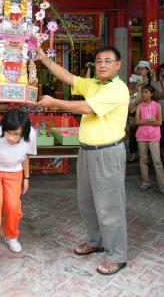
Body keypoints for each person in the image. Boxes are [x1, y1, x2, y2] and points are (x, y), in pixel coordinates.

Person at [36, 45, 129, 276]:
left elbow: (88, 108)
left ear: (118, 65)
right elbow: (69, 77)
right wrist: (44, 59)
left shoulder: (117, 89)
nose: (103, 65)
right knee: (86, 202)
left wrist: (54, 103)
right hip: (87, 152)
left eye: (108, 61)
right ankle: (96, 240)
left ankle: (117, 255)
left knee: (109, 207)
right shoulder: (94, 85)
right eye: (99, 61)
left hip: (107, 153)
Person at [0, 109, 36, 270]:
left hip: (15, 172)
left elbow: (26, 157)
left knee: (13, 207)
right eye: (8, 133)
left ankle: (11, 236)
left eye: (16, 134)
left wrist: (26, 177)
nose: (11, 138)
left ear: (24, 132)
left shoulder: (31, 135)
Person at [135, 85, 164, 194]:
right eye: (142, 92)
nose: (143, 94)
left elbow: (159, 122)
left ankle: (162, 185)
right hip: (141, 135)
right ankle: (146, 182)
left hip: (154, 136)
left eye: (146, 92)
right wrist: (150, 120)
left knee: (157, 161)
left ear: (151, 94)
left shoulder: (157, 105)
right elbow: (137, 121)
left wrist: (144, 121)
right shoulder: (139, 106)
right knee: (143, 160)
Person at [128, 61, 157, 162]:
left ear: (148, 70)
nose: (141, 71)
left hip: (146, 108)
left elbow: (150, 95)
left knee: (146, 131)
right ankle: (133, 154)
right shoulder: (134, 79)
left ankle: (146, 156)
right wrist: (137, 86)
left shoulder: (151, 80)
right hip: (133, 109)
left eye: (143, 69)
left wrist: (135, 102)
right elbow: (130, 93)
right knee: (132, 131)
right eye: (139, 69)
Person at [154, 63, 164, 149]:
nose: (162, 73)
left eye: (163, 70)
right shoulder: (157, 83)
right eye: (161, 71)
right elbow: (156, 96)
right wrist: (160, 95)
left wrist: (161, 94)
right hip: (161, 109)